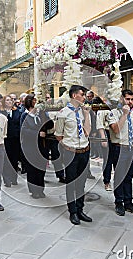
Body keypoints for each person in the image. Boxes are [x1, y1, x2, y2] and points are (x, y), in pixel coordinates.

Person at [55, 85, 92, 225]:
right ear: (75, 95)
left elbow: (87, 132)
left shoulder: (84, 112)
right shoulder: (63, 113)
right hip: (71, 152)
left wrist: (87, 115)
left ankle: (80, 209)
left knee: (81, 183)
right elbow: (58, 135)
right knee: (71, 183)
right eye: (82, 95)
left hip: (84, 150)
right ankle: (73, 212)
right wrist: (67, 147)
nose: (84, 97)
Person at [108, 89, 133, 216]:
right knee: (120, 176)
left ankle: (128, 202)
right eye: (128, 99)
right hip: (119, 148)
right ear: (121, 99)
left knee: (129, 176)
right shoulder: (114, 113)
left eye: (132, 99)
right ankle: (119, 202)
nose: (130, 102)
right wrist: (124, 115)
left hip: (131, 147)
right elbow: (116, 129)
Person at [21, 94, 53, 198]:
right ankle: (34, 190)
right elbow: (24, 130)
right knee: (32, 169)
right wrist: (37, 133)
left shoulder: (40, 115)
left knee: (41, 168)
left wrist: (45, 115)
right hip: (30, 147)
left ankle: (41, 189)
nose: (36, 103)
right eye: (34, 101)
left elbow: (50, 125)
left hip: (41, 146)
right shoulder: (24, 116)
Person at [1, 95, 21, 186]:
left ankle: (14, 178)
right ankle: (7, 179)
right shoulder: (1, 113)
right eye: (7, 100)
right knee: (6, 159)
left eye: (11, 100)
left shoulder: (17, 112)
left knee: (14, 159)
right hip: (5, 139)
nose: (10, 101)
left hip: (15, 139)